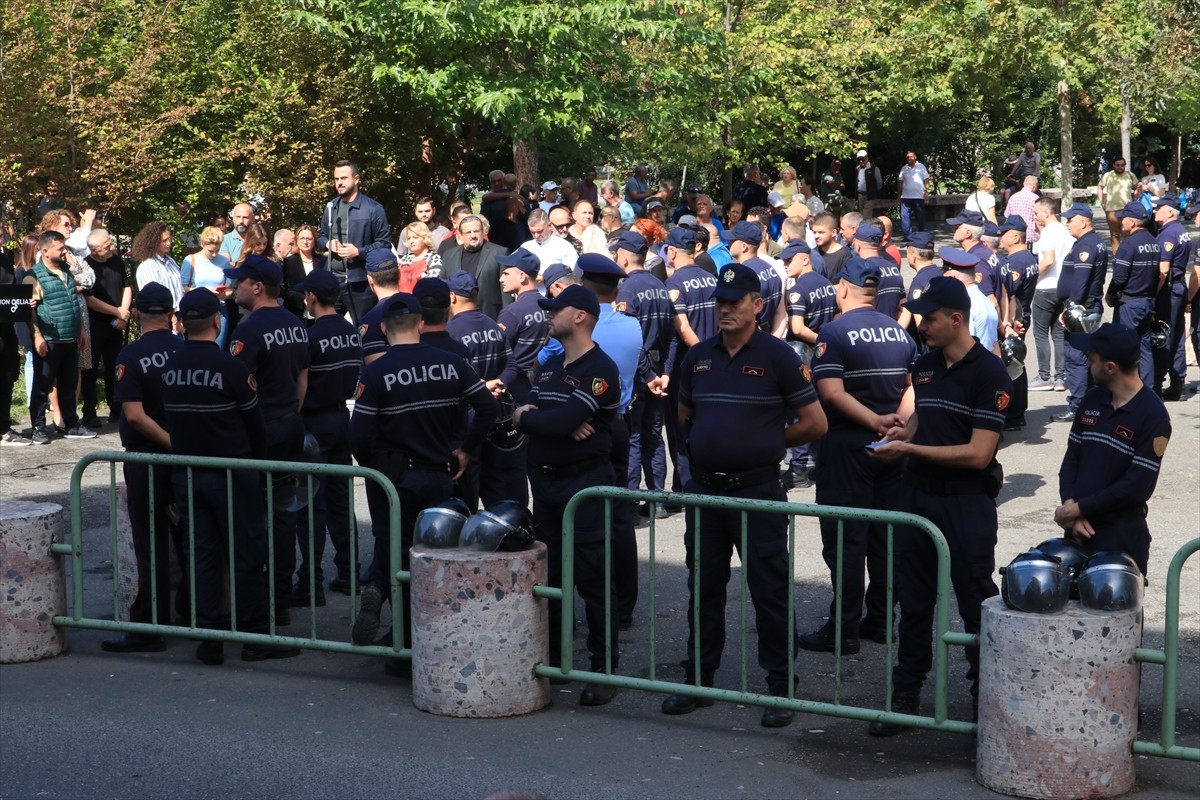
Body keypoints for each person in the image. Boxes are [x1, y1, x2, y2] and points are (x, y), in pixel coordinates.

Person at [660, 261, 827, 727]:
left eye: (736, 302)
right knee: (704, 588)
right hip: (708, 495)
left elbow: (815, 423)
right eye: (722, 302)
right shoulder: (700, 356)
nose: (727, 309)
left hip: (758, 491)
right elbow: (684, 413)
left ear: (758, 305)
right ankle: (698, 679)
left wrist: (769, 441)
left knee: (770, 591)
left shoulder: (779, 357)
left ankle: (781, 687)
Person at [867, 275, 1011, 736]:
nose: (920, 325)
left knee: (975, 601)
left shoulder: (990, 373)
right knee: (913, 600)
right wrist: (902, 433)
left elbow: (977, 454)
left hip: (965, 502)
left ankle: (984, 702)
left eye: (929, 318)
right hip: (918, 497)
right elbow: (924, 420)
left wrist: (910, 451)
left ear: (956, 319)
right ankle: (905, 694)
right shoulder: (926, 366)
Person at [349, 292, 498, 655]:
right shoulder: (451, 362)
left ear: (383, 329)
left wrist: (378, 467)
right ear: (420, 324)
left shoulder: (376, 371)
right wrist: (465, 449)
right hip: (440, 477)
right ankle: (429, 634)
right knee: (436, 557)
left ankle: (392, 619)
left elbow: (358, 436)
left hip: (394, 481)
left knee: (396, 553)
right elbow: (488, 407)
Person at [162, 288, 300, 665]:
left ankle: (209, 636)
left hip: (188, 472)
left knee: (202, 555)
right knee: (246, 552)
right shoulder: (232, 368)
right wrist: (256, 465)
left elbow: (170, 419)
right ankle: (254, 635)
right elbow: (256, 426)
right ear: (217, 321)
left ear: (182, 323)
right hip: (232, 472)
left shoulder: (170, 368)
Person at [512, 283, 622, 705]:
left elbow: (556, 421)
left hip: (585, 483)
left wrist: (538, 418)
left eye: (555, 309)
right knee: (552, 577)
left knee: (595, 579)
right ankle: (558, 661)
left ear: (579, 316)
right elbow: (530, 411)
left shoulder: (600, 368)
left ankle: (603, 670)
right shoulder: (553, 364)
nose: (548, 315)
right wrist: (535, 416)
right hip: (548, 483)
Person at [800, 257, 915, 654]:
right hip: (892, 447)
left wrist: (874, 422)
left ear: (843, 289)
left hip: (848, 446)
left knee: (846, 539)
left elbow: (831, 393)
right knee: (886, 538)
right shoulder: (899, 333)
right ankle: (883, 622)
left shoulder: (834, 332)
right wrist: (896, 423)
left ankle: (844, 629)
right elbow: (911, 387)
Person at [225, 254, 311, 623]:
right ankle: (280, 600)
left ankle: (260, 604)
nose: (233, 287)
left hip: (260, 430)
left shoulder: (248, 329)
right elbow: (302, 379)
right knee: (284, 515)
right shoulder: (295, 323)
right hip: (289, 422)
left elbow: (237, 389)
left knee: (252, 516)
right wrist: (290, 412)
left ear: (257, 286)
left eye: (239, 281)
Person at [100, 283, 183, 653]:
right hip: (188, 459)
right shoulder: (187, 350)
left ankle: (149, 625)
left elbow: (134, 415)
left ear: (135, 314)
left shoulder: (130, 355)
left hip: (148, 458)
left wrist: (167, 445)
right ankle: (196, 613)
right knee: (190, 538)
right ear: (171, 314)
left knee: (150, 542)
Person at [1055, 323, 1170, 576]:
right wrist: (1069, 505)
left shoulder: (1153, 416)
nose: (1086, 365)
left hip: (1120, 538)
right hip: (1078, 531)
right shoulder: (1092, 400)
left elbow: (1135, 486)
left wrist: (1078, 510)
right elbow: (1071, 459)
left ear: (1110, 368)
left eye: (1091, 359)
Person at [291, 269, 363, 601]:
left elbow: (301, 386)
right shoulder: (350, 331)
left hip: (315, 424)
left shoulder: (309, 334)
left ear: (312, 298)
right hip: (341, 418)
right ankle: (348, 571)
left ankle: (310, 581)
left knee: (311, 505)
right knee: (339, 499)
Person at [613, 231, 674, 518]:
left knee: (635, 436)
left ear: (624, 255)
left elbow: (629, 339)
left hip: (640, 376)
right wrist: (665, 374)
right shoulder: (660, 286)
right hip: (659, 373)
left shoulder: (627, 289)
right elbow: (673, 337)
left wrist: (648, 375)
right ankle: (658, 499)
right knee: (654, 435)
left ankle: (631, 501)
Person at [446, 271, 512, 510]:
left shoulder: (451, 332)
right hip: (492, 411)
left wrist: (483, 388)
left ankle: (470, 536)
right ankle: (502, 529)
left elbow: (453, 380)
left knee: (468, 479)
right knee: (493, 478)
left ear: (452, 296)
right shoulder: (492, 324)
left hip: (467, 415)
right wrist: (497, 384)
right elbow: (511, 365)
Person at [663, 226, 718, 499]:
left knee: (681, 427)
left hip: (691, 366)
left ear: (672, 251)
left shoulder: (674, 284)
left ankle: (686, 487)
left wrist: (703, 352)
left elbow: (683, 329)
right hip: (717, 361)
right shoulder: (711, 278)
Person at [23, 231, 95, 443]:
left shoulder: (66, 270)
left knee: (69, 383)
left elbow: (74, 301)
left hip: (70, 337)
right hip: (50, 339)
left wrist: (80, 329)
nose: (64, 251)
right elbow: (30, 311)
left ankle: (71, 424)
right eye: (59, 248)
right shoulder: (33, 276)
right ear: (44, 251)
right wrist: (37, 336)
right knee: (42, 385)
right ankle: (38, 428)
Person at [494, 249, 549, 507]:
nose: (501, 278)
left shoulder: (512, 313)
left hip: (516, 390)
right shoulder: (549, 306)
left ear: (523, 276)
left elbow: (498, 354)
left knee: (513, 465)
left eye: (506, 273)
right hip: (545, 388)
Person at [1053, 203, 1110, 421]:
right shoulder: (1091, 243)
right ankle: (1092, 403)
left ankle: (1077, 406)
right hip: (1088, 307)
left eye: (1070, 219)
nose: (1067, 223)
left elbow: (1081, 281)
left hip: (1082, 309)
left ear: (1084, 222)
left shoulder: (1086, 246)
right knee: (1089, 356)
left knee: (1075, 357)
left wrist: (1070, 308)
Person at [317, 160, 392, 324]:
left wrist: (359, 252)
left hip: (360, 283)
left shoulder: (373, 209)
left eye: (343, 178)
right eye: (336, 179)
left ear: (356, 179)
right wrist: (328, 244)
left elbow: (384, 244)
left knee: (365, 329)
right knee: (326, 328)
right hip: (332, 282)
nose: (339, 183)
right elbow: (321, 237)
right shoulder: (331, 207)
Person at [1105, 202, 1160, 389]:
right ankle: (1148, 389)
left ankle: (1127, 390)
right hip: (1146, 302)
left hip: (1129, 303)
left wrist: (1110, 294)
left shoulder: (1128, 244)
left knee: (1124, 349)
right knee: (1144, 349)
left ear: (1132, 222)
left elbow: (1119, 278)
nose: (1121, 221)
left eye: (1123, 218)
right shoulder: (1154, 242)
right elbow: (1157, 275)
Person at [82, 228, 134, 427]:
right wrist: (116, 311)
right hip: (95, 323)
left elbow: (126, 286)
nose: (111, 248)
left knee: (116, 367)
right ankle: (89, 411)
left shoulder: (117, 261)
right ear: (94, 250)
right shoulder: (86, 266)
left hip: (117, 322)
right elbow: (90, 300)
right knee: (91, 369)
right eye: (106, 247)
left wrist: (124, 312)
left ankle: (116, 408)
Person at [997, 215, 1039, 430]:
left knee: (1010, 366)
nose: (1000, 237)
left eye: (1004, 234)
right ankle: (1018, 412)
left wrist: (1008, 322)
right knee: (1017, 365)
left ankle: (1012, 413)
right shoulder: (1029, 257)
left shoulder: (1016, 262)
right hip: (1023, 315)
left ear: (1015, 237)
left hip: (1015, 319)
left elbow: (1009, 292)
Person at [1028, 197, 1074, 392]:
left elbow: (1048, 260)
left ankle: (1044, 376)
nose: (1034, 217)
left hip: (1046, 287)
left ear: (1046, 213)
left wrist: (1032, 275)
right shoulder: (1066, 231)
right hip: (1063, 288)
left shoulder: (1048, 233)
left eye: (1036, 213)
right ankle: (1061, 377)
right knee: (1059, 333)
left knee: (1040, 334)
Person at [1151, 194, 1190, 401]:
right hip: (1179, 286)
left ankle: (1158, 382)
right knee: (1177, 336)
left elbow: (1163, 270)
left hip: (1168, 290)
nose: (1155, 211)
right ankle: (1177, 381)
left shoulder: (1167, 235)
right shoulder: (1180, 231)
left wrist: (1153, 295)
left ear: (1169, 211)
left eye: (1159, 208)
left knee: (1163, 336)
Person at [443, 214, 509, 319]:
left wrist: (506, 319)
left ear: (483, 232)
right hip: (457, 319)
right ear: (460, 234)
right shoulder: (449, 255)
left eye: (476, 231)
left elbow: (507, 291)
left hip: (490, 316)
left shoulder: (499, 252)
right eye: (468, 232)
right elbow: (444, 288)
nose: (473, 236)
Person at [940, 248, 1000, 353]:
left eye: (945, 271)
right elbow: (994, 345)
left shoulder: (964, 305)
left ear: (954, 277)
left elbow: (962, 346)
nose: (943, 275)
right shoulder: (985, 301)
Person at [180, 226, 232, 345]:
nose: (214, 255)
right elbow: (182, 287)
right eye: (210, 251)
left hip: (218, 309)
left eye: (217, 250)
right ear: (202, 244)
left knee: (216, 348)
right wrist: (203, 290)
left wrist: (224, 294)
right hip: (196, 311)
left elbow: (229, 289)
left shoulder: (224, 262)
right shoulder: (191, 260)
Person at [849, 223, 904, 320]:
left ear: (858, 245)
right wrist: (898, 329)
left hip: (866, 329)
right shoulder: (893, 268)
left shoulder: (858, 269)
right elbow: (904, 307)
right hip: (891, 329)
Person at [131, 221, 183, 311]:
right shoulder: (148, 266)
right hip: (162, 316)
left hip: (178, 315)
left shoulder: (171, 262)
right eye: (164, 241)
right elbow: (154, 298)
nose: (169, 243)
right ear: (153, 242)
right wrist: (171, 316)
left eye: (169, 239)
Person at [281, 224, 326, 319]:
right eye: (302, 238)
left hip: (319, 312)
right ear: (297, 240)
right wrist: (303, 300)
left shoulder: (322, 260)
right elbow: (285, 289)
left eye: (309, 239)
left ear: (314, 241)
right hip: (296, 313)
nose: (305, 242)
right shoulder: (289, 262)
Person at [520, 209, 578, 277]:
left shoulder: (565, 247)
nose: (536, 236)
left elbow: (573, 274)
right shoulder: (525, 247)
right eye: (533, 232)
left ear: (550, 226)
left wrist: (548, 277)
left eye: (540, 231)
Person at [1099, 157, 1137, 252]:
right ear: (1114, 165)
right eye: (1118, 165)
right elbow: (1100, 187)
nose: (1120, 167)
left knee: (1127, 233)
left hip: (1127, 210)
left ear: (1125, 165)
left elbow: (1137, 188)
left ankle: (1127, 257)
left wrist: (1136, 200)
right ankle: (1117, 258)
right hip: (1111, 210)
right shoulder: (1108, 175)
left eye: (1122, 165)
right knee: (1115, 235)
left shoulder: (1130, 175)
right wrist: (1102, 202)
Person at [397, 221, 443, 292]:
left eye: (415, 237)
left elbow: (433, 285)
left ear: (425, 238)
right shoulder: (404, 259)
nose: (411, 241)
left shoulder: (434, 258)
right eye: (409, 238)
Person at [897, 150, 931, 237]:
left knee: (920, 216)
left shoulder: (921, 167)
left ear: (915, 157)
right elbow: (900, 183)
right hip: (906, 196)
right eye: (908, 157)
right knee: (905, 217)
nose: (909, 158)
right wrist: (899, 196)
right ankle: (907, 236)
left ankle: (920, 234)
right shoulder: (904, 168)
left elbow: (926, 180)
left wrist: (926, 192)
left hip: (919, 196)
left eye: (911, 156)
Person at [812, 212, 851, 284]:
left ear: (833, 232)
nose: (816, 236)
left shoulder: (845, 255)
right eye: (814, 232)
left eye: (821, 232)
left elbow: (845, 285)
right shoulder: (813, 254)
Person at [1004, 175, 1041, 244]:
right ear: (1034, 186)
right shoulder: (1035, 198)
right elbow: (1039, 219)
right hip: (1031, 236)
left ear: (1024, 184)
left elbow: (1007, 216)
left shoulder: (1013, 197)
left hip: (1015, 235)